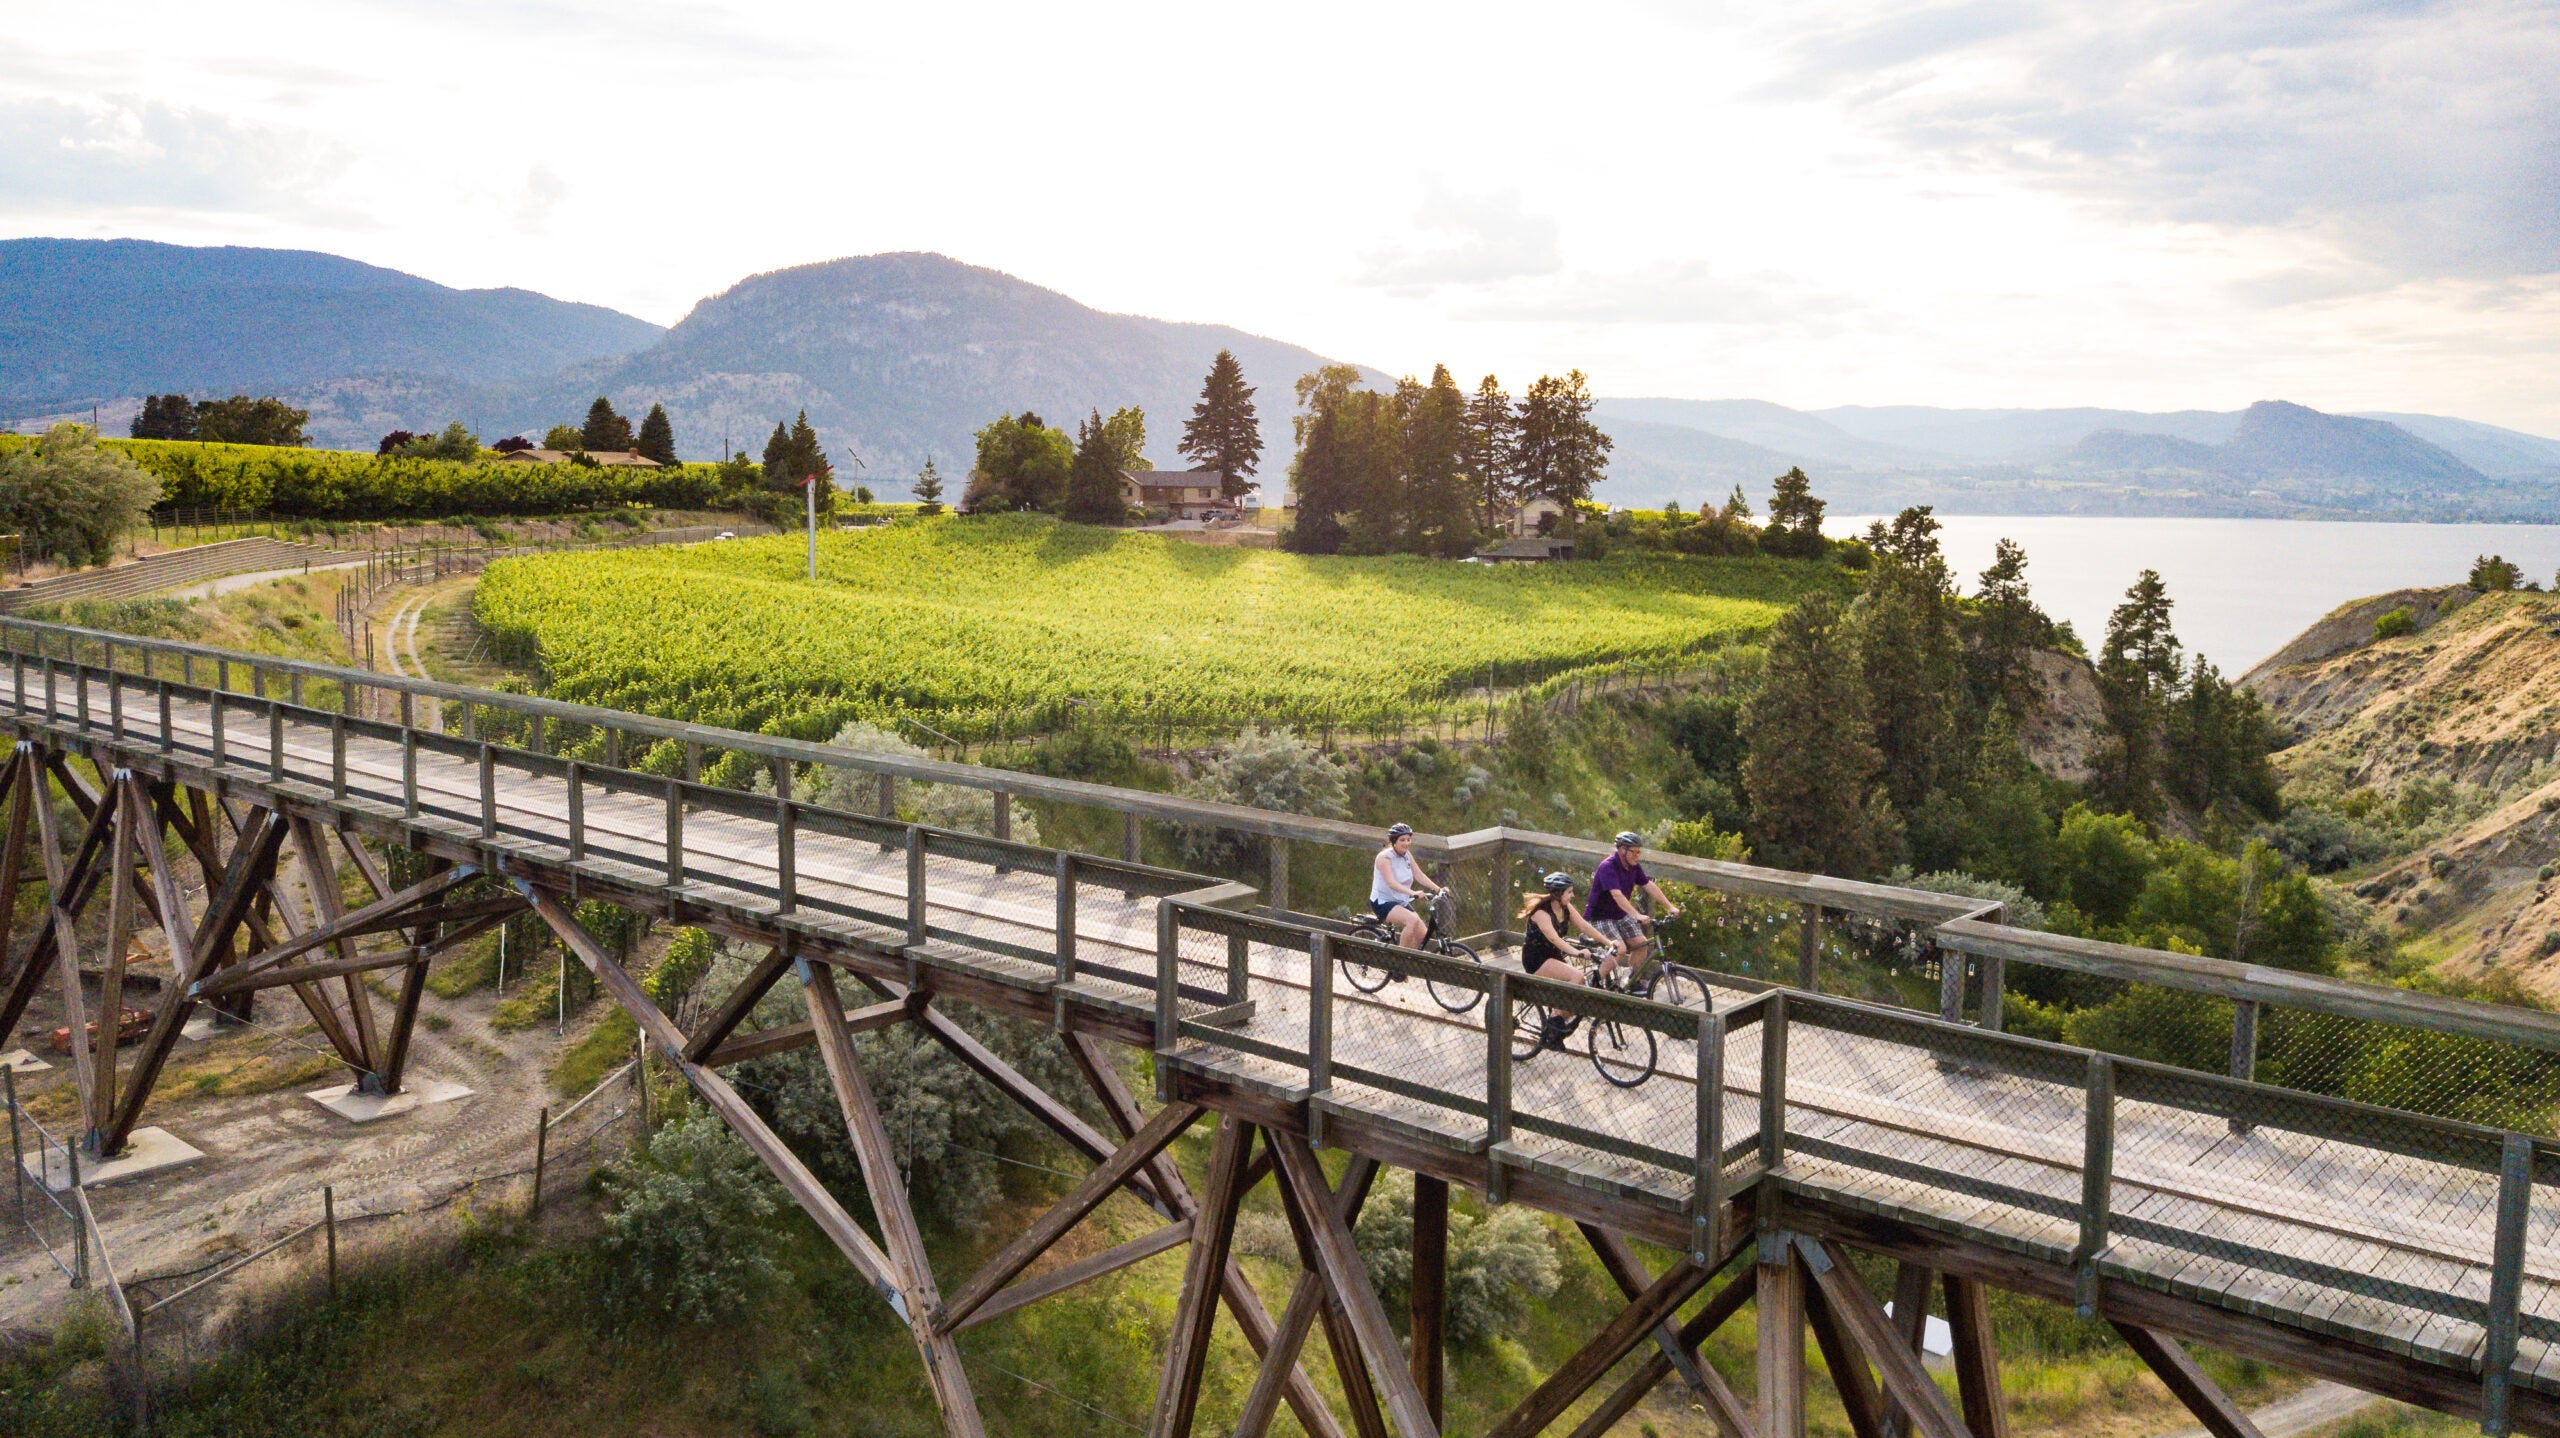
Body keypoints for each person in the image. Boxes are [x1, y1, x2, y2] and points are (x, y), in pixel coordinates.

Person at [1517, 872, 1623, 1049]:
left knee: (1579, 996)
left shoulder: (1565, 907)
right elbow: (1554, 939)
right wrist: (1577, 952)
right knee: (1577, 977)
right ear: (1558, 894)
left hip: (1554, 956)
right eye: (1569, 892)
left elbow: (1584, 926)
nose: (1572, 895)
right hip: (1536, 959)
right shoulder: (1541, 913)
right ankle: (1553, 1024)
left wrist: (1608, 942)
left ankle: (1555, 1027)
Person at [1586, 831, 1682, 968]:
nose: (1637, 856)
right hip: (1600, 917)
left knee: (1641, 944)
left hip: (1620, 914)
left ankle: (1631, 978)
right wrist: (1636, 915)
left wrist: (1669, 906)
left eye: (1639, 852)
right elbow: (1617, 895)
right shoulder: (1608, 867)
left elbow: (1648, 885)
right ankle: (1597, 979)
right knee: (1620, 949)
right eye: (1634, 852)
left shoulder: (1633, 866)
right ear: (1622, 850)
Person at [1369, 822, 1447, 949]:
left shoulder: (1406, 855)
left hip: (1400, 901)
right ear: (1394, 842)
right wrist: (1413, 893)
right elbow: (1391, 883)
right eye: (1402, 840)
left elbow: (1419, 875)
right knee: (1411, 921)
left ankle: (1411, 958)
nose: (1406, 843)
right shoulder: (1384, 858)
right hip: (1383, 902)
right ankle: (1401, 957)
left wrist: (1438, 889)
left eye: (1408, 840)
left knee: (1422, 936)